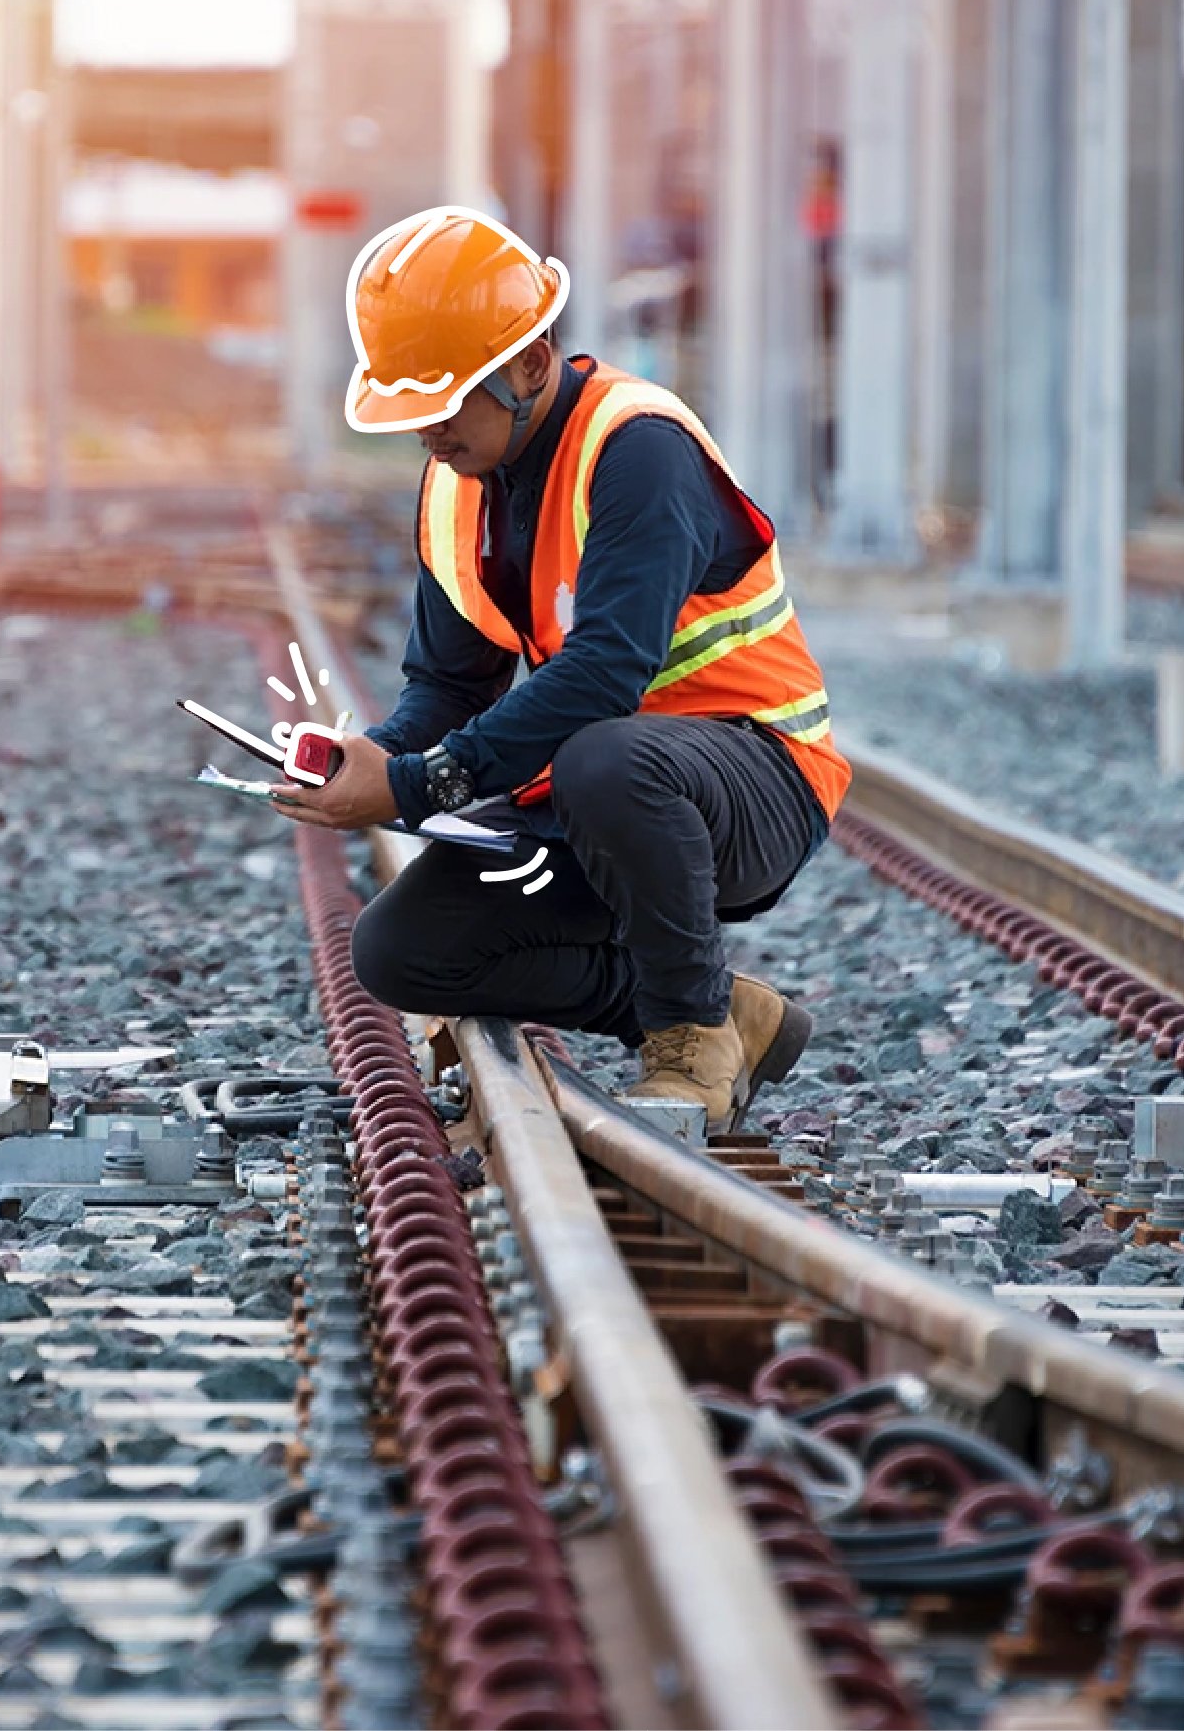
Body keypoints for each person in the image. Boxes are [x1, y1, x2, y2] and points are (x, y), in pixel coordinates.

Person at [268, 206, 849, 1132]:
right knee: (398, 950)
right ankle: (723, 1003)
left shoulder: (637, 451)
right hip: (601, 793)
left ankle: (690, 1040)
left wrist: (423, 784)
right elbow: (450, 685)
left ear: (531, 364)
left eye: (446, 403)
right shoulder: (459, 483)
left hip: (757, 779)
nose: (428, 433)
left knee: (605, 758)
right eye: (413, 410)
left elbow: (605, 673)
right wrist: (370, 759)